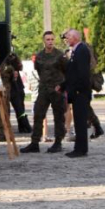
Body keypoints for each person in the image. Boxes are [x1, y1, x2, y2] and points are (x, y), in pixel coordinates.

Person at [21, 32, 67, 153]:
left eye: (52, 39)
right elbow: (38, 70)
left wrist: (62, 86)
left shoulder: (60, 55)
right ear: (44, 41)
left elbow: (66, 71)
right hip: (44, 89)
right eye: (48, 39)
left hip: (57, 89)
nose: (50, 41)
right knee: (38, 114)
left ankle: (58, 142)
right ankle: (34, 142)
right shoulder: (39, 56)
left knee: (59, 116)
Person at [61, 29, 93, 158]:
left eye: (68, 37)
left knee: (80, 122)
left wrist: (78, 90)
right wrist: (63, 86)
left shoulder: (82, 50)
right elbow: (72, 73)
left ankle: (81, 149)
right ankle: (78, 147)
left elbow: (82, 73)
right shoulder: (76, 51)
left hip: (81, 92)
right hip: (76, 92)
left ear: (74, 37)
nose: (66, 39)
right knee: (78, 121)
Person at [0, 53, 32, 140]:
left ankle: (23, 126)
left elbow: (19, 67)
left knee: (15, 110)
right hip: (10, 90)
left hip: (14, 89)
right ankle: (22, 126)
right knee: (7, 111)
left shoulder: (7, 64)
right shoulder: (8, 67)